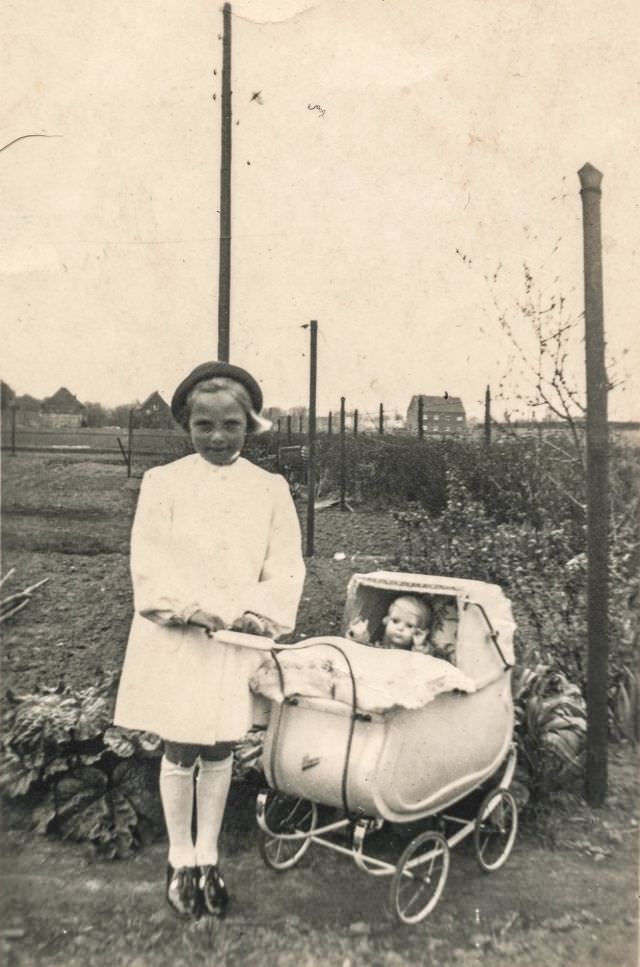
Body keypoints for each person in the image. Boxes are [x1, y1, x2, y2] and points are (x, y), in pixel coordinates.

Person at [113, 361, 306, 920]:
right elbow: (147, 562)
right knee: (180, 744)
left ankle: (208, 857)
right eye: (204, 426)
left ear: (251, 426)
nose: (218, 438)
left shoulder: (269, 488)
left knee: (221, 744)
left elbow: (285, 564)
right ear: (186, 426)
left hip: (235, 642)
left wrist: (258, 614)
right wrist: (183, 608)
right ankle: (179, 860)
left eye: (231, 426)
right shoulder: (163, 483)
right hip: (180, 638)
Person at [347, 594, 432, 652]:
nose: (400, 628)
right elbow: (363, 653)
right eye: (395, 621)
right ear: (386, 620)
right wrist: (359, 635)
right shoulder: (379, 647)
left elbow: (422, 663)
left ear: (418, 632)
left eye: (409, 626)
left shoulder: (412, 653)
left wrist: (419, 645)